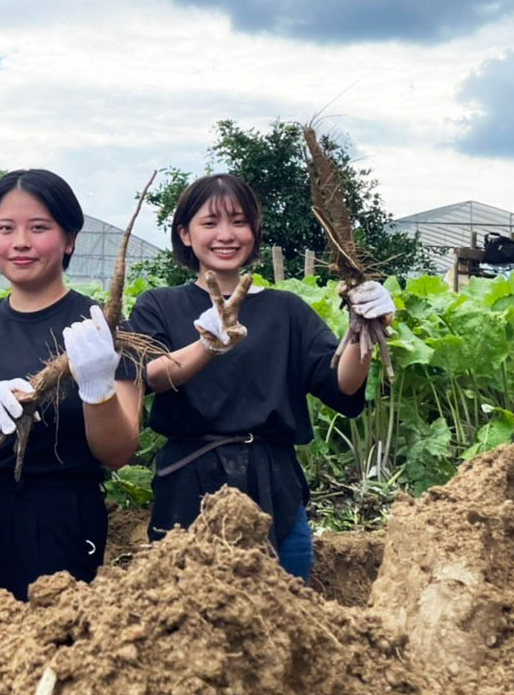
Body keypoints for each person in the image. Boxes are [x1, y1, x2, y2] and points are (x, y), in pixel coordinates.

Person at [126, 174, 394, 582]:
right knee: (184, 619)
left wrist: (361, 331)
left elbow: (343, 385)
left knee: (286, 612)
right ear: (184, 234)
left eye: (239, 221)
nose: (226, 235)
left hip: (275, 483)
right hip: (188, 484)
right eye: (210, 223)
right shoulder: (159, 304)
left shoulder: (286, 310)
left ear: (254, 230)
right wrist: (207, 344)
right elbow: (151, 376)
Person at [0, 169, 142, 632]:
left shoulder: (102, 329)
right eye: (6, 228)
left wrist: (98, 388)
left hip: (57, 523)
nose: (20, 241)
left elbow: (118, 452)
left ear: (69, 239)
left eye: (38, 228)